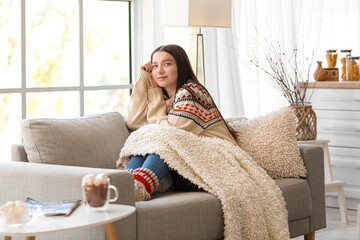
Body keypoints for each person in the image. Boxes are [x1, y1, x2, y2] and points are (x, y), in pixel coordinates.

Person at [126, 44, 238, 201]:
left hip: (216, 163)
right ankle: (123, 185)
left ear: (181, 66)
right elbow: (134, 121)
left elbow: (171, 133)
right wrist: (143, 77)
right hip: (189, 163)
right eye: (155, 66)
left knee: (162, 143)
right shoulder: (166, 97)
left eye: (167, 64)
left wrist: (155, 96)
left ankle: (136, 188)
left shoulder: (191, 92)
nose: (159, 71)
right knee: (145, 142)